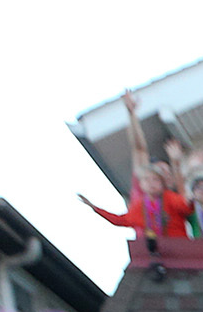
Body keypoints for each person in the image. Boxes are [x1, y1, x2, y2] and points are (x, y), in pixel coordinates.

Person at [81, 90, 190, 240]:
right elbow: (139, 148)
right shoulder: (141, 190)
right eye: (158, 171)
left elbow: (184, 197)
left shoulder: (170, 198)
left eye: (166, 173)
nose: (161, 175)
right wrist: (132, 115)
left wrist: (178, 163)